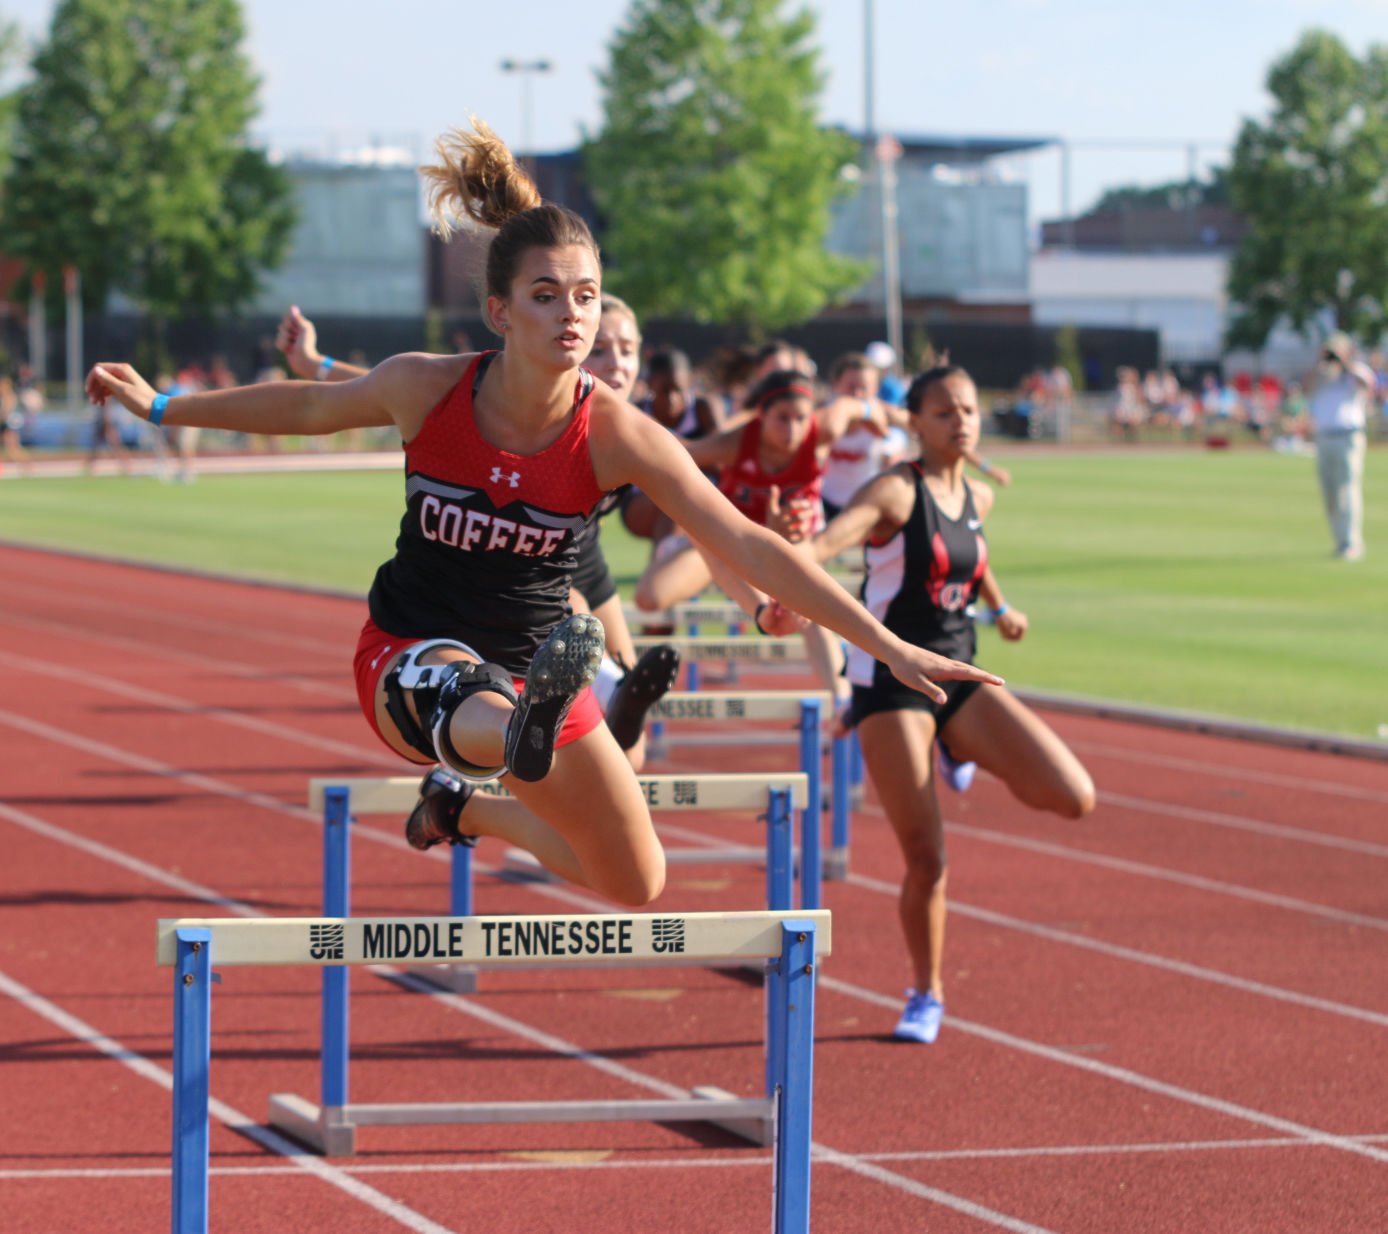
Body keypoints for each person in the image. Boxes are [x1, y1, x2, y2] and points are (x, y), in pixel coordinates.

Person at [86, 118, 1000, 908]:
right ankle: (506, 733)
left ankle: (466, 808)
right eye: (546, 295)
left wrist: (888, 645)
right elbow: (307, 405)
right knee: (477, 700)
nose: (573, 316)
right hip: (412, 654)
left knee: (636, 879)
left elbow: (748, 541)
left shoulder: (617, 434)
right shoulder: (427, 388)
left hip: (534, 668)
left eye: (587, 296)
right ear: (500, 311)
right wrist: (163, 406)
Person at [275, 294, 683, 776]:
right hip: (529, 564)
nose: (616, 362)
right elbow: (394, 390)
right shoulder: (529, 405)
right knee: (557, 657)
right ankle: (589, 698)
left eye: (628, 350)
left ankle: (607, 699)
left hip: (581, 558)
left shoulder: (634, 431)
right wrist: (315, 365)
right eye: (603, 349)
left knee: (629, 749)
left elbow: (703, 473)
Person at [809, 363, 1095, 1042]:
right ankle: (926, 992)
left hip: (959, 673)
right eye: (944, 412)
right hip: (891, 684)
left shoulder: (978, 495)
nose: (961, 421)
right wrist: (781, 578)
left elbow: (971, 555)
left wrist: (1002, 605)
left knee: (1073, 796)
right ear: (914, 423)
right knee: (927, 856)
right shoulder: (894, 492)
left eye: (968, 409)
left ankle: (954, 745)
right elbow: (822, 547)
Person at [1307, 331, 1373, 561]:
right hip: (1324, 438)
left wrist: (1345, 363)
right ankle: (1340, 540)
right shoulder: (1322, 373)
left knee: (1347, 488)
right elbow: (1307, 388)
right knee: (1330, 493)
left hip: (1348, 437)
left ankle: (1351, 542)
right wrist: (1323, 364)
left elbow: (1367, 384)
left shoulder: (1355, 371)